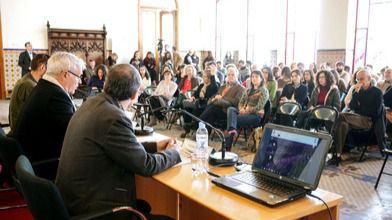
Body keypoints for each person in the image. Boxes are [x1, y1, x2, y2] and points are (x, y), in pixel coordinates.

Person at [56, 64, 181, 219]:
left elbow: (120, 147)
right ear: (135, 94)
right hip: (93, 207)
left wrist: (156, 145)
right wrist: (173, 153)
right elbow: (145, 165)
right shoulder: (114, 116)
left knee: (146, 205)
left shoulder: (91, 103)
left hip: (74, 198)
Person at [12, 52, 85, 179]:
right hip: (43, 165)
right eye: (78, 76)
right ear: (65, 74)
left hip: (30, 157)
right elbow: (74, 134)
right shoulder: (56, 96)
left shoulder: (45, 86)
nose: (79, 81)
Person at [333, 68, 385, 163]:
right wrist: (356, 93)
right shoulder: (357, 91)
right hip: (356, 118)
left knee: (340, 116)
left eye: (361, 79)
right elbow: (352, 106)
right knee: (342, 124)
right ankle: (338, 154)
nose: (359, 81)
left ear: (369, 78)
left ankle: (331, 144)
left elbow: (375, 112)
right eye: (357, 79)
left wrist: (359, 110)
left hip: (369, 121)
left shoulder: (377, 92)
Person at [225, 70, 269, 151]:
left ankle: (227, 147)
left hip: (255, 116)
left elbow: (259, 106)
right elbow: (241, 102)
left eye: (256, 77)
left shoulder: (263, 90)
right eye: (252, 77)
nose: (254, 78)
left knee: (232, 120)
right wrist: (241, 108)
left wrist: (248, 110)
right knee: (231, 109)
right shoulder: (248, 89)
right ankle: (232, 130)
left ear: (261, 79)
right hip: (244, 112)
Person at [9, 54, 49, 135]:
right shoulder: (28, 85)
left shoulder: (28, 78)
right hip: (21, 134)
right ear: (42, 67)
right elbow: (39, 113)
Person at [199, 65, 245, 130]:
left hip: (228, 112)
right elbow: (214, 96)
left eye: (233, 75)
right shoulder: (223, 87)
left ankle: (197, 121)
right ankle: (206, 132)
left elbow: (235, 102)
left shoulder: (240, 88)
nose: (230, 76)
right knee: (211, 110)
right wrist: (213, 99)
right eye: (229, 75)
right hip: (217, 108)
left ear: (236, 76)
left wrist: (221, 98)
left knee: (212, 108)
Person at [181, 68, 219, 138]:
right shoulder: (202, 85)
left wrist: (213, 75)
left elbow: (214, 89)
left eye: (205, 76)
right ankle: (187, 128)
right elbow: (196, 93)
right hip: (199, 102)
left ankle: (193, 127)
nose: (203, 78)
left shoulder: (213, 86)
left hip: (206, 104)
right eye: (203, 76)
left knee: (196, 109)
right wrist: (193, 97)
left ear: (209, 78)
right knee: (187, 107)